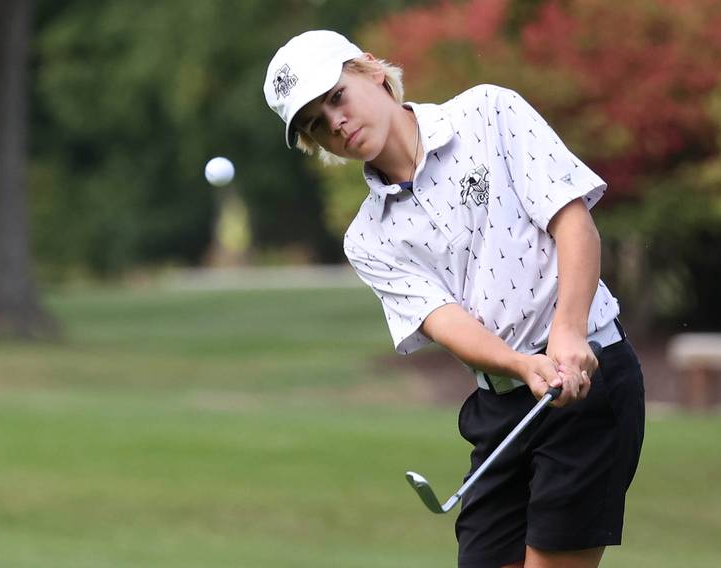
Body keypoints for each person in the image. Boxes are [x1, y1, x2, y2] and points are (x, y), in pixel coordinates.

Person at [264, 30, 645, 568]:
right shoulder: (368, 237)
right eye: (316, 126)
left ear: (372, 71)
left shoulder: (489, 112)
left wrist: (568, 329)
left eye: (336, 98)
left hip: (587, 381)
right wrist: (518, 364)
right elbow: (442, 320)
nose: (336, 124)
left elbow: (572, 221)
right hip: (502, 405)